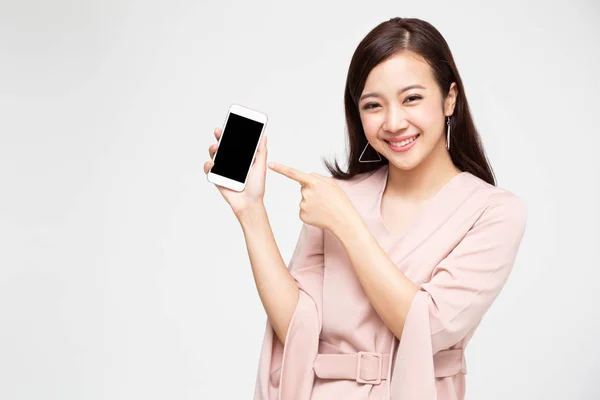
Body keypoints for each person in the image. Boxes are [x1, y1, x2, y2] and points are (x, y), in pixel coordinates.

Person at [204, 17, 527, 400]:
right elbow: (297, 324)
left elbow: (430, 329)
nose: (393, 122)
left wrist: (347, 223)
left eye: (412, 98)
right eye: (373, 105)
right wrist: (251, 211)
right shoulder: (338, 196)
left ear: (449, 98)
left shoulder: (493, 211)